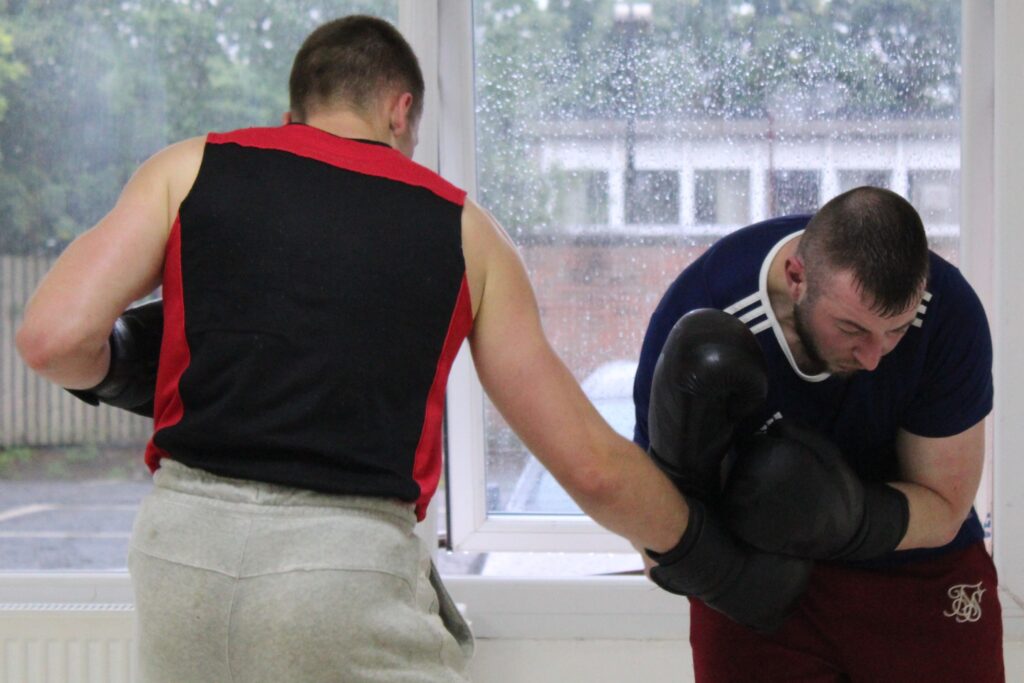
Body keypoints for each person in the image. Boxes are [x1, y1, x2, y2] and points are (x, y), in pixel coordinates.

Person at [14, 15, 807, 682]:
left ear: (299, 107)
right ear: (400, 111)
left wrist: (130, 374)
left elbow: (53, 339)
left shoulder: (189, 168)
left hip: (177, 562)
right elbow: (591, 467)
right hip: (338, 574)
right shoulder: (463, 230)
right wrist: (718, 562)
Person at [633, 186, 1005, 682]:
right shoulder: (707, 303)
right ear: (796, 277)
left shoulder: (946, 313)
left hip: (915, 561)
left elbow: (946, 505)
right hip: (759, 575)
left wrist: (845, 521)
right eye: (853, 329)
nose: (875, 357)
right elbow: (655, 519)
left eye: (894, 330)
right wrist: (723, 577)